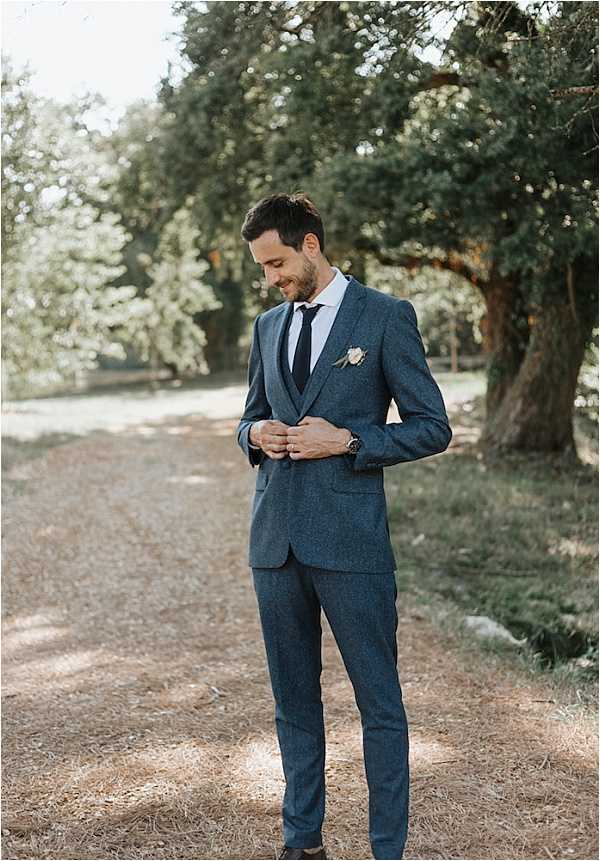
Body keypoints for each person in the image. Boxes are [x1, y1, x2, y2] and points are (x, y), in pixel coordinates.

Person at [236, 192, 452, 860]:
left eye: (275, 262)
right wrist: (256, 432)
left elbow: (431, 426)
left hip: (353, 545)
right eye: (262, 268)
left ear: (309, 244)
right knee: (293, 705)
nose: (271, 278)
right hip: (276, 544)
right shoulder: (268, 327)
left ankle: (388, 849)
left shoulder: (385, 316)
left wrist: (349, 441)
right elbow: (247, 416)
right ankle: (302, 844)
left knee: (380, 707)